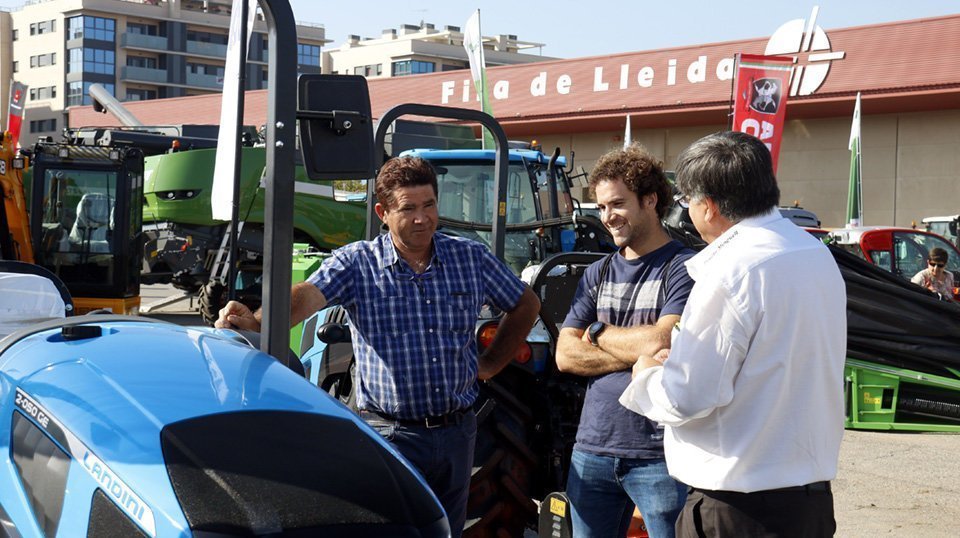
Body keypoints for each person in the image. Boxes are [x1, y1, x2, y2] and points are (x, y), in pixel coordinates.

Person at [216, 156, 541, 537]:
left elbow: (526, 304)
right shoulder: (357, 264)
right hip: (391, 436)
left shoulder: (470, 258)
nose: (422, 218)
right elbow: (306, 298)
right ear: (383, 213)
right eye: (408, 209)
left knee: (446, 531)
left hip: (458, 433)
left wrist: (490, 365)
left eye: (429, 205)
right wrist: (255, 322)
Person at [620, 131, 847, 538]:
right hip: (807, 503)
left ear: (707, 207)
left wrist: (647, 374)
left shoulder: (731, 270)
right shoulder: (813, 253)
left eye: (687, 201)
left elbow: (689, 395)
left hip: (737, 509)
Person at [556, 145, 695, 537]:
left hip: (659, 452)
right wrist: (633, 351)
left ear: (650, 200)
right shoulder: (597, 272)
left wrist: (597, 334)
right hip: (592, 448)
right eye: (601, 207)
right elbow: (565, 355)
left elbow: (662, 340)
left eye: (617, 203)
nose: (607, 217)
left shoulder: (683, 267)